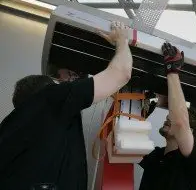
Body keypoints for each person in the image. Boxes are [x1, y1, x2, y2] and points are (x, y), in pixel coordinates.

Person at [0, 21, 132, 190]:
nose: (70, 80)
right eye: (65, 79)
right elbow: (122, 73)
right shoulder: (49, 99)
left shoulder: (13, 129)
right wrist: (122, 40)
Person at [139, 43, 196, 190]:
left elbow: (180, 123)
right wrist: (140, 113)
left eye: (173, 117)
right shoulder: (155, 156)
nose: (168, 118)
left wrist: (172, 70)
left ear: (190, 132)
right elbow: (123, 140)